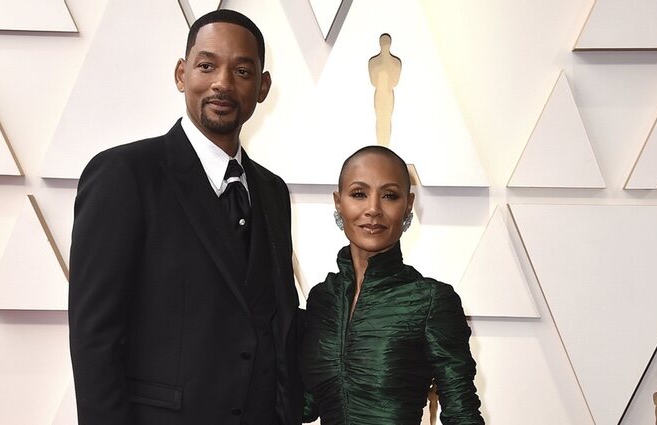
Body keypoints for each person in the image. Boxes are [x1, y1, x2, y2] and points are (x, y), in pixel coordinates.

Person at [68, 9, 302, 425]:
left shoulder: (272, 191)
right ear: (181, 74)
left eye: (242, 70)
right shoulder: (124, 175)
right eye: (207, 65)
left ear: (263, 87)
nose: (222, 84)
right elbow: (94, 338)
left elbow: (275, 320)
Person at [300, 146, 485, 424]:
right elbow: (307, 404)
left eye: (389, 196)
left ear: (408, 204)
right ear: (338, 202)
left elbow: (462, 413)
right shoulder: (322, 298)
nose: (373, 209)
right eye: (359, 194)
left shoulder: (431, 300)